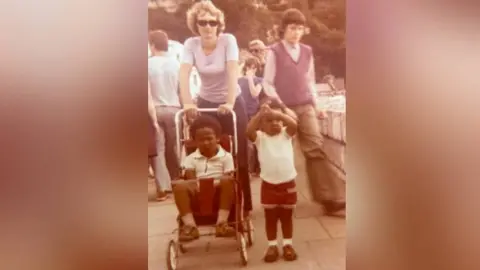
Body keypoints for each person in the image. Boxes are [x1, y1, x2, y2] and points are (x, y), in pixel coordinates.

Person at [262, 8, 345, 215]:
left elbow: (310, 82)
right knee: (282, 152)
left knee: (315, 148)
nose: (296, 33)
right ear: (284, 29)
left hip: (305, 105)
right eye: (292, 28)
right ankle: (280, 197)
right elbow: (268, 84)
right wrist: (282, 108)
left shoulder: (307, 51)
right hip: (282, 108)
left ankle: (329, 198)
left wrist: (318, 107)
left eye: (300, 28)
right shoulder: (274, 51)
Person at [179, 0, 253, 216]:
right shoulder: (191, 45)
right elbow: (183, 74)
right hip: (206, 101)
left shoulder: (228, 40)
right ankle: (208, 205)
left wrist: (229, 102)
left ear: (218, 25)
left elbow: (232, 72)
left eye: (212, 22)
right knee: (205, 150)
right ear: (196, 24)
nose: (208, 27)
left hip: (231, 101)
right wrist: (188, 103)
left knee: (238, 153)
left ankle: (243, 205)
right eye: (203, 22)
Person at [246, 101, 299, 262]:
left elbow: (294, 124)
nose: (275, 123)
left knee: (286, 217)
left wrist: (278, 114)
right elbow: (249, 130)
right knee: (270, 217)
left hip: (288, 183)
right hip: (268, 185)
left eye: (277, 120)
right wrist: (260, 115)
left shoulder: (286, 134)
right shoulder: (260, 138)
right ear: (261, 125)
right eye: (269, 121)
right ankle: (272, 245)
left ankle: (288, 244)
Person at [172, 115, 236, 242]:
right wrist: (202, 186)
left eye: (209, 139)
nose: (206, 143)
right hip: (198, 192)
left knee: (228, 181)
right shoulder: (191, 159)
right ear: (195, 141)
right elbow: (191, 180)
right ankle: (190, 226)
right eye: (201, 140)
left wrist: (213, 184)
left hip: (220, 192)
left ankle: (222, 223)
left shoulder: (226, 157)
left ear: (217, 138)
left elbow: (229, 176)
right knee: (179, 185)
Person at [149, 29, 182, 199]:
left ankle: (163, 187)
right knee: (175, 147)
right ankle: (178, 180)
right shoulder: (176, 64)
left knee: (159, 150)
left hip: (154, 109)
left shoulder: (147, 64)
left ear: (152, 45)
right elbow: (182, 90)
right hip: (174, 108)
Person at [238, 57, 263, 176]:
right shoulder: (238, 80)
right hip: (242, 112)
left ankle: (256, 168)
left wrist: (249, 79)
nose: (251, 69)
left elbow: (254, 93)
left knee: (255, 141)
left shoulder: (259, 80)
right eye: (249, 67)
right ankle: (247, 169)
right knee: (245, 142)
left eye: (253, 67)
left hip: (253, 113)